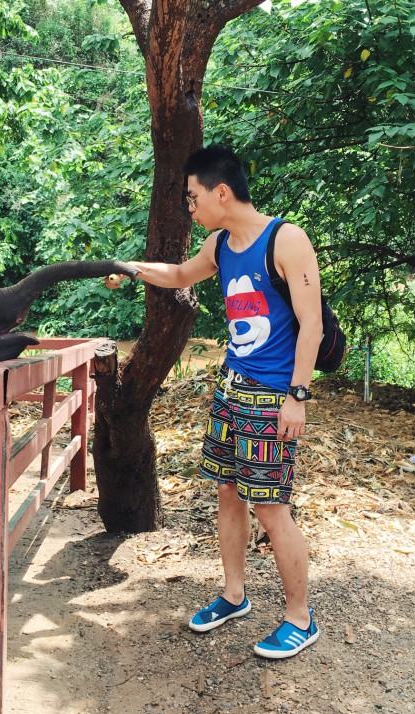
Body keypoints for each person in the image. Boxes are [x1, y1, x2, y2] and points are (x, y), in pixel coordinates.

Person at [107, 144, 322, 659]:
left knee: (271, 507)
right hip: (231, 390)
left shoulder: (286, 240)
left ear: (221, 191)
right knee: (228, 492)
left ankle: (300, 618)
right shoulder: (220, 244)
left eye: (193, 197)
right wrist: (131, 268)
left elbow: (311, 324)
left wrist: (297, 396)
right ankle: (234, 594)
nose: (190, 207)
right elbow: (181, 275)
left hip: (272, 396)